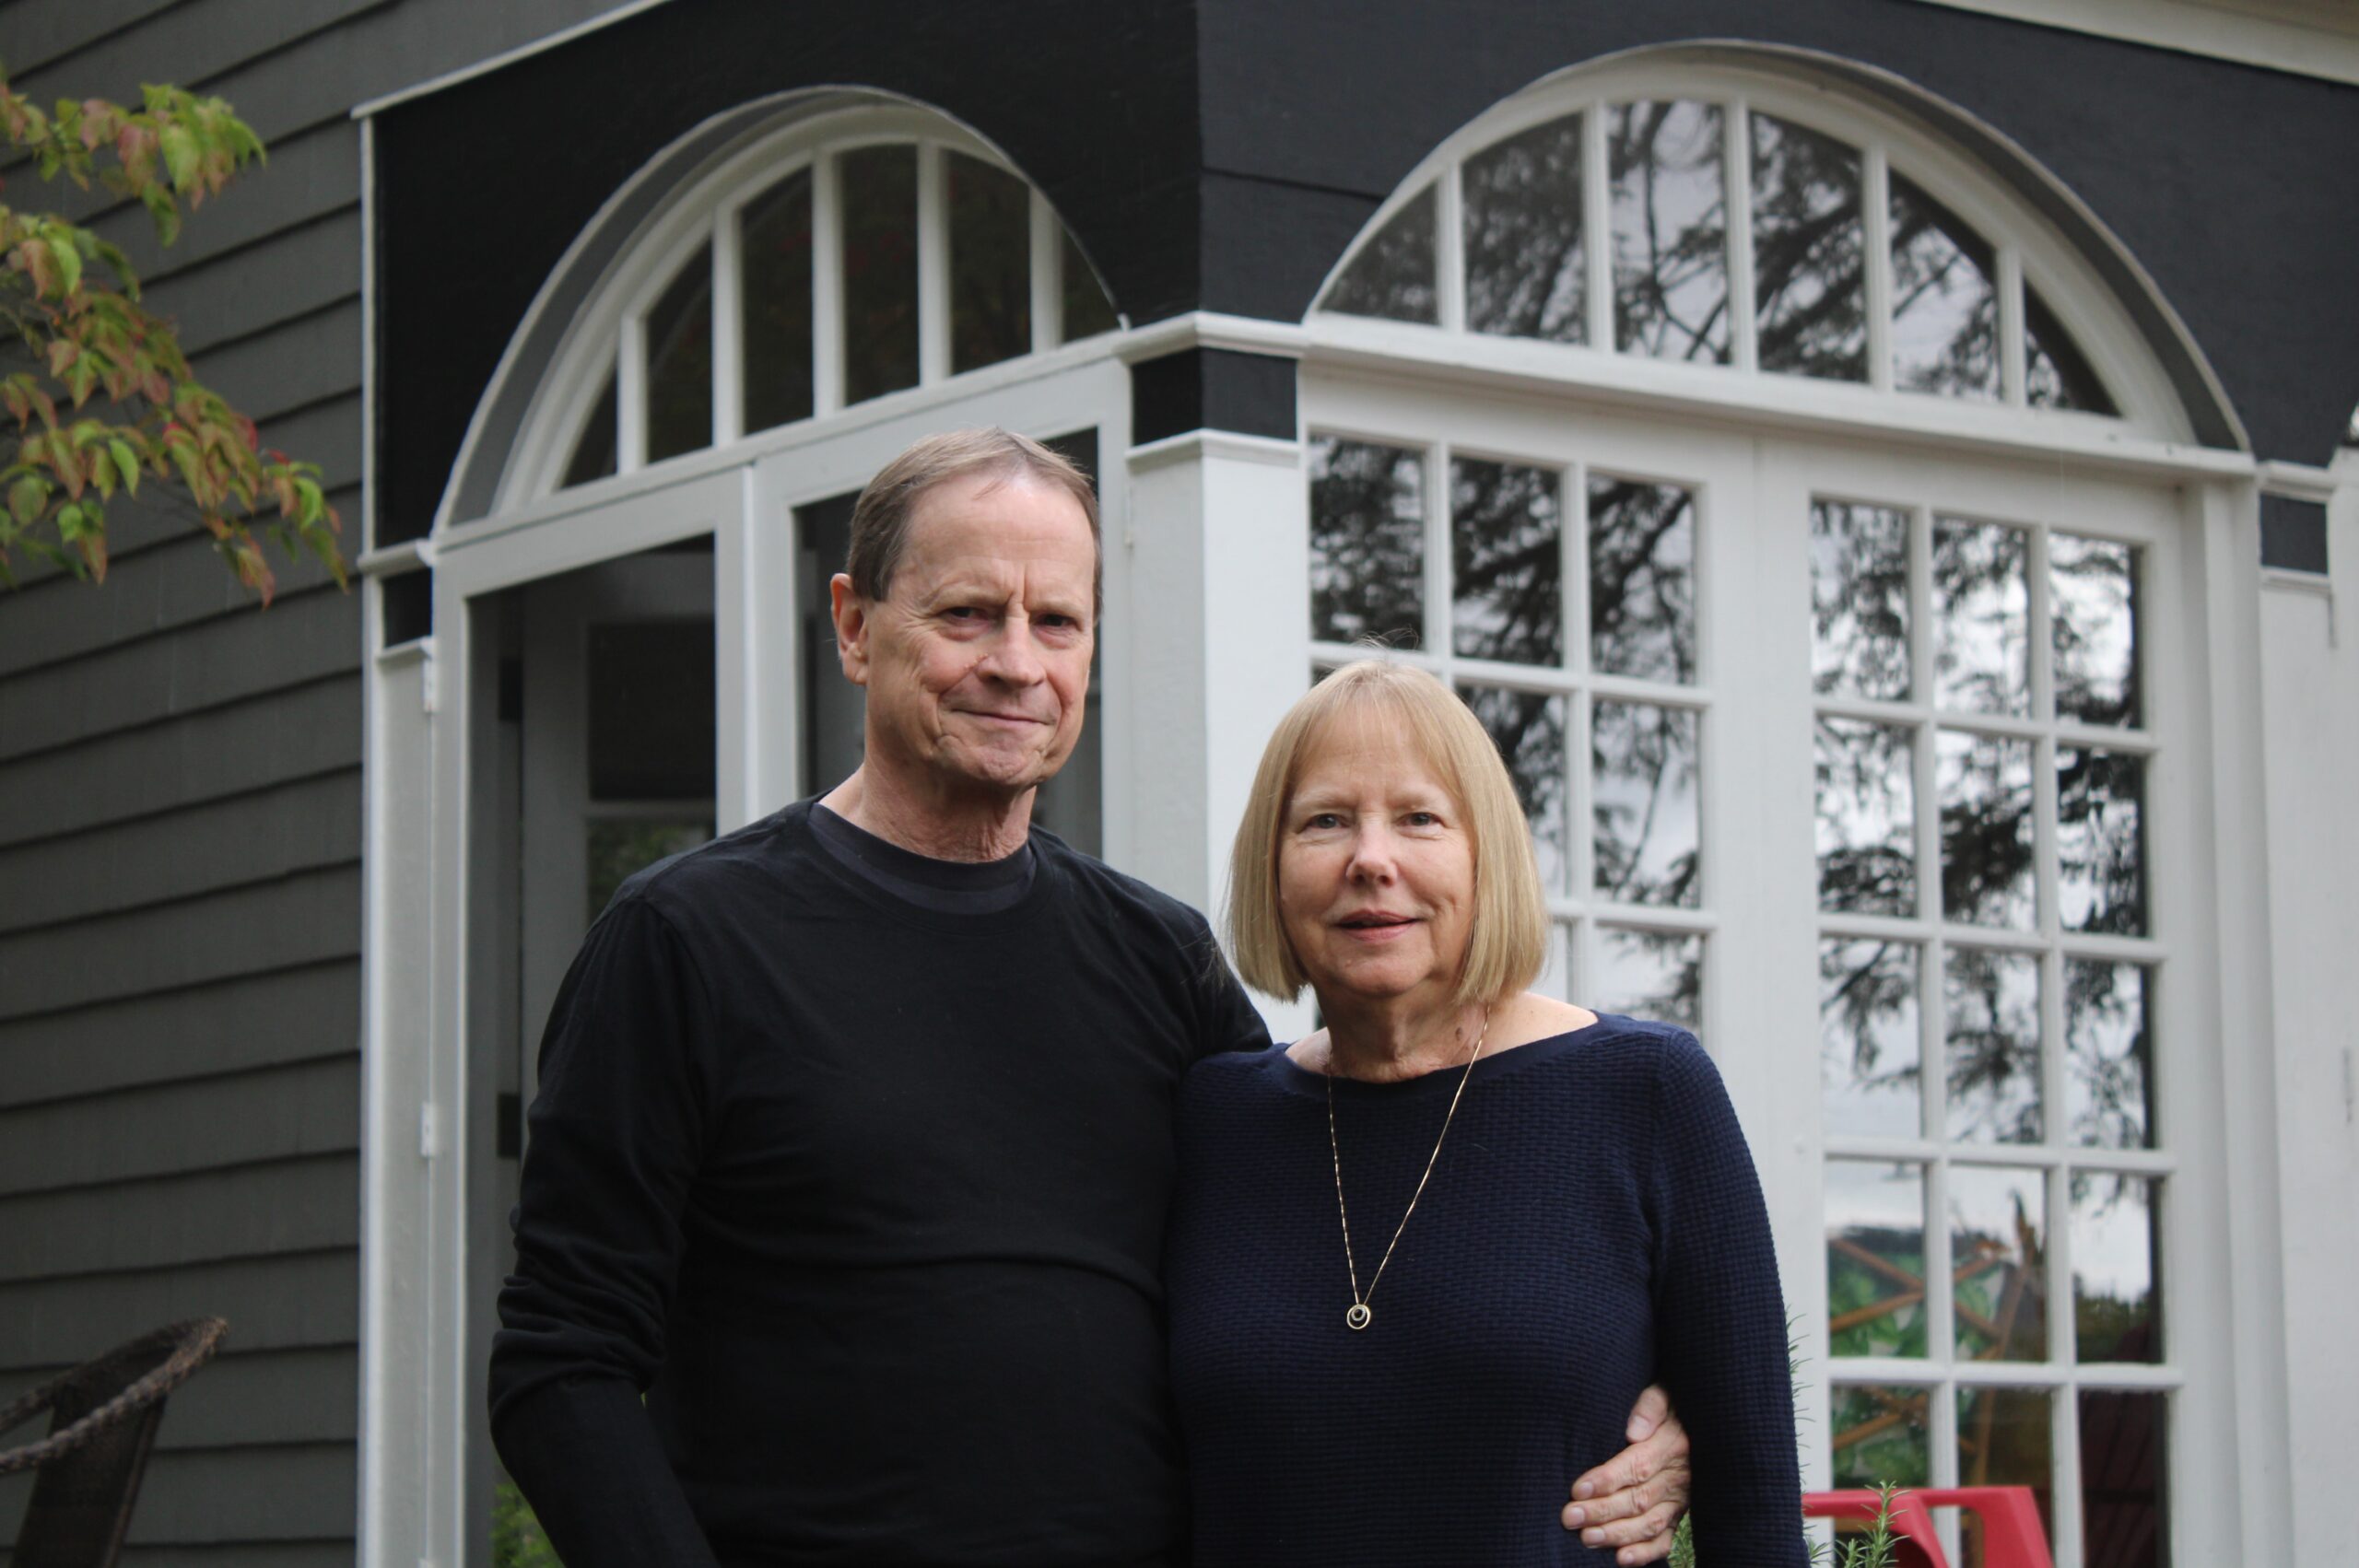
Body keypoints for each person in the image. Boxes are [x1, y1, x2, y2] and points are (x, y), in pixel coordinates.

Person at [489, 429, 1693, 1565]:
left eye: (1056, 620)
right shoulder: (688, 942)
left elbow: (1348, 1252)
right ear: (855, 626)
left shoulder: (1156, 962)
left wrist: (1641, 1395)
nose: (1019, 660)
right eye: (968, 613)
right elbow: (559, 1363)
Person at [1168, 660, 1807, 1565]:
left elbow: (1757, 1519)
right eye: (1325, 821)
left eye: (1419, 818)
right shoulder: (1213, 1119)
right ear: (1271, 871)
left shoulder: (1648, 1092)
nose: (1370, 859)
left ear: (1485, 859)